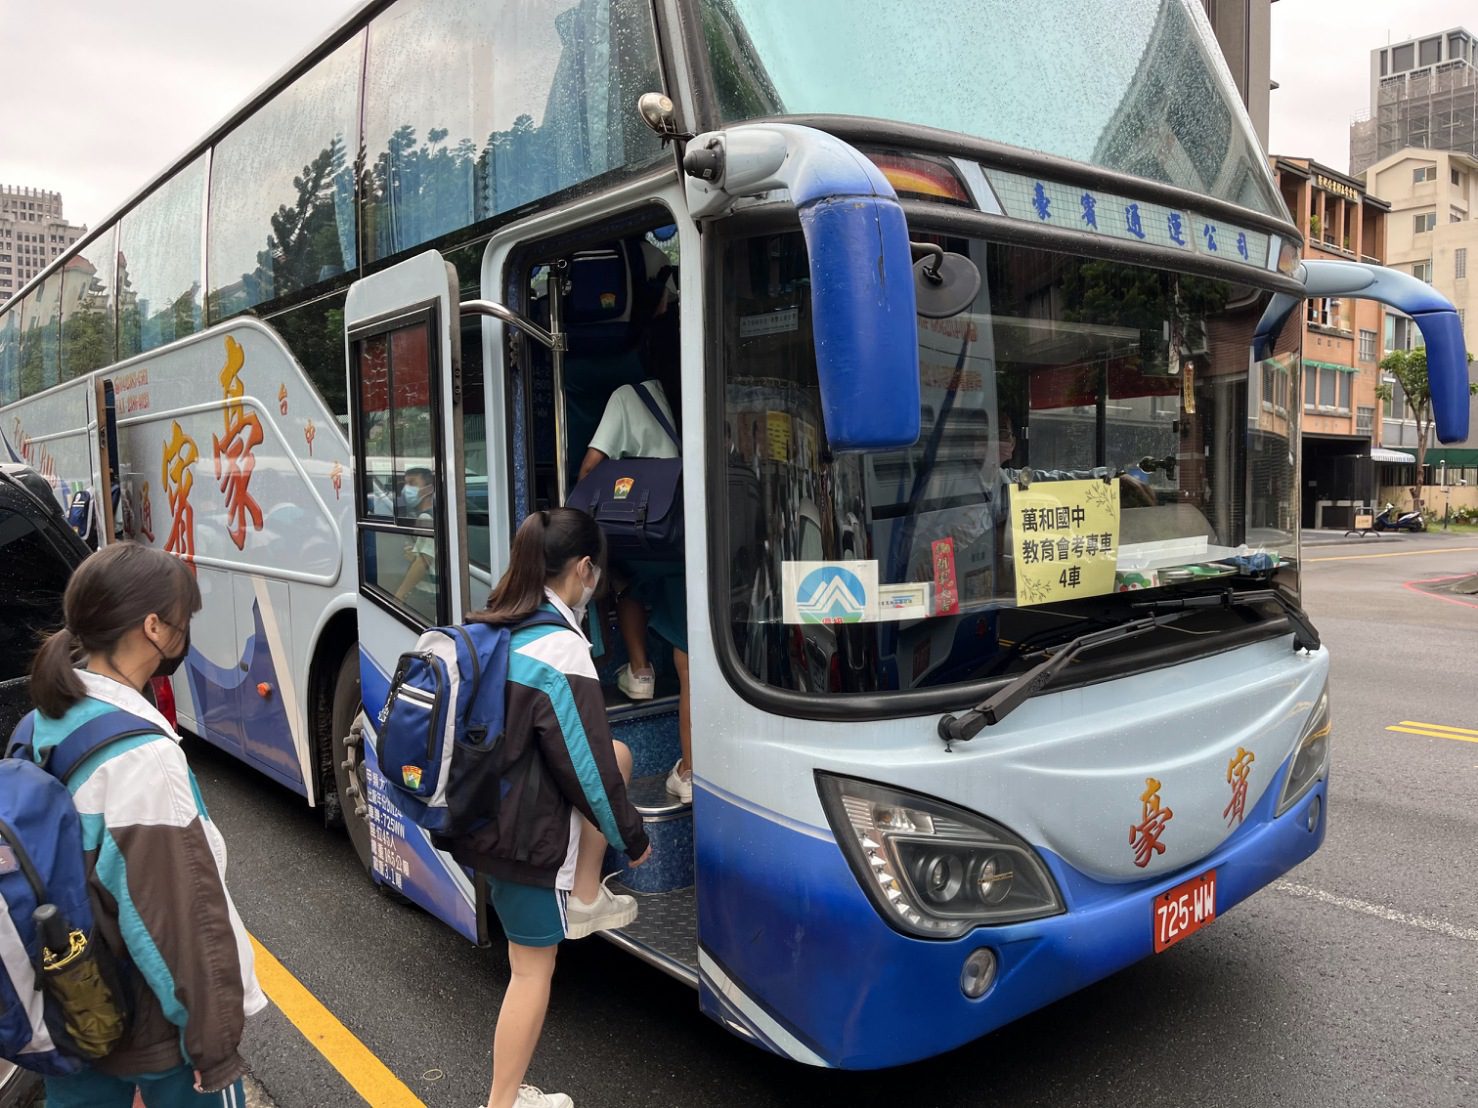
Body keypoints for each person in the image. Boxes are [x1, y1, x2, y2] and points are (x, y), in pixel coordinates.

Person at [23, 542, 265, 1107]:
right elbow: (177, 920)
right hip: (154, 1032)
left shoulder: (43, 721)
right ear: (154, 627)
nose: (185, 632)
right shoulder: (142, 759)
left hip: (75, 1006)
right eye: (184, 619)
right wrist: (215, 1045)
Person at [454, 508, 651, 1108]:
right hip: (525, 839)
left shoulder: (496, 622)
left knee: (618, 751)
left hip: (488, 817)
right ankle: (503, 1102)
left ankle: (587, 895)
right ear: (584, 570)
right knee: (531, 974)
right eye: (597, 576)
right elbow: (586, 771)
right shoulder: (561, 648)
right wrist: (634, 838)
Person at [577, 373, 693, 804]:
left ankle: (641, 671)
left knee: (622, 577)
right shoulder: (702, 385)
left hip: (653, 536)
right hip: (689, 542)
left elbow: (593, 463)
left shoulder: (628, 395)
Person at [393, 467, 436, 616]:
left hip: (427, 593)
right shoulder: (434, 513)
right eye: (406, 484)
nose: (406, 490)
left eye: (412, 483)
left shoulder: (426, 518)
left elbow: (424, 562)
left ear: (428, 489)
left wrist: (400, 594)